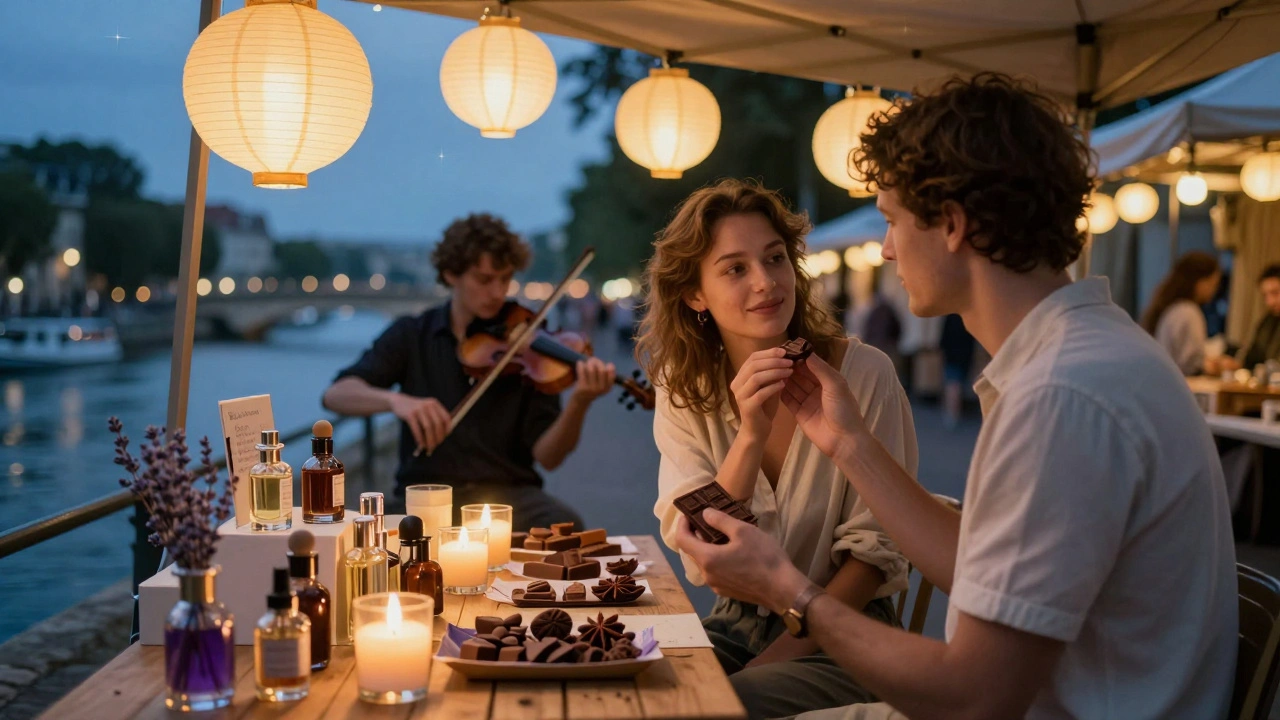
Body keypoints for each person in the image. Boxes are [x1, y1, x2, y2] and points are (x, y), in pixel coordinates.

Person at [673, 74, 1237, 720]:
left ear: (952, 224)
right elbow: (978, 565)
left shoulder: (1062, 395)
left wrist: (787, 588)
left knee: (705, 709)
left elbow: (975, 697)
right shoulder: (1089, 354)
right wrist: (850, 444)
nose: (885, 250)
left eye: (890, 220)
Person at [638, 179, 917, 720]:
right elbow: (702, 552)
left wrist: (774, 657)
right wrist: (750, 434)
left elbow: (876, 554)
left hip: (850, 631)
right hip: (734, 621)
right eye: (735, 268)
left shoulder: (862, 374)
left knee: (725, 703)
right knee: (640, 688)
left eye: (775, 258)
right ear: (695, 294)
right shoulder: (682, 385)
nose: (767, 282)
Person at [322, 213, 617, 530]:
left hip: (510, 499)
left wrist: (579, 403)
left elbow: (549, 457)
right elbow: (336, 395)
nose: (497, 292)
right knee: (366, 536)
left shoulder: (528, 347)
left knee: (566, 526)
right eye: (484, 279)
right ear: (451, 274)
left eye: (505, 279)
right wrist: (396, 402)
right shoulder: (412, 334)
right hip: (424, 495)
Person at [1141, 250, 1234, 376]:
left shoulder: (1171, 308)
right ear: (1200, 282)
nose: (1214, 291)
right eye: (1213, 284)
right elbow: (1191, 364)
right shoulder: (1188, 311)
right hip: (1179, 384)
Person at [1240, 263, 1280, 368]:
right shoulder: (1267, 321)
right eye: (1265, 296)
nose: (1270, 302)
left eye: (1275, 293)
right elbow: (1252, 357)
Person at [938, 313, 974, 428]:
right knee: (957, 384)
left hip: (951, 354)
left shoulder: (950, 317)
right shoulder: (969, 319)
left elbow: (944, 337)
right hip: (965, 355)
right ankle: (955, 412)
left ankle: (951, 414)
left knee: (951, 384)